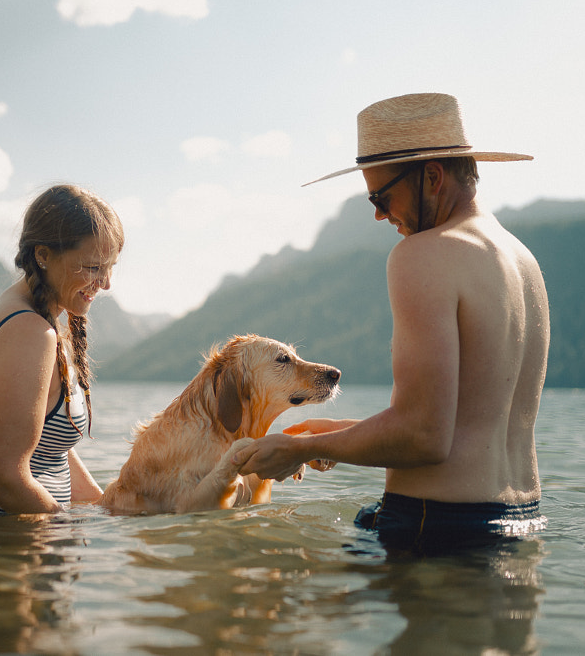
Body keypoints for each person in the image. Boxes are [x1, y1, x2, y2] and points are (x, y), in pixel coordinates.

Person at [233, 93, 550, 554]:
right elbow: (464, 428)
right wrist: (336, 436)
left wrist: (296, 450)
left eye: (381, 196)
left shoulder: (423, 255)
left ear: (433, 177)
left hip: (435, 526)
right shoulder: (524, 262)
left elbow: (423, 437)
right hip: (522, 522)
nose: (380, 214)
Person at [0, 184, 124, 517]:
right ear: (43, 255)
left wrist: (104, 510)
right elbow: (4, 479)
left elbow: (45, 449)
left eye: (110, 267)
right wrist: (67, 529)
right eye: (93, 267)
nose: (105, 283)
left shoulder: (30, 317)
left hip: (15, 540)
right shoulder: (28, 333)